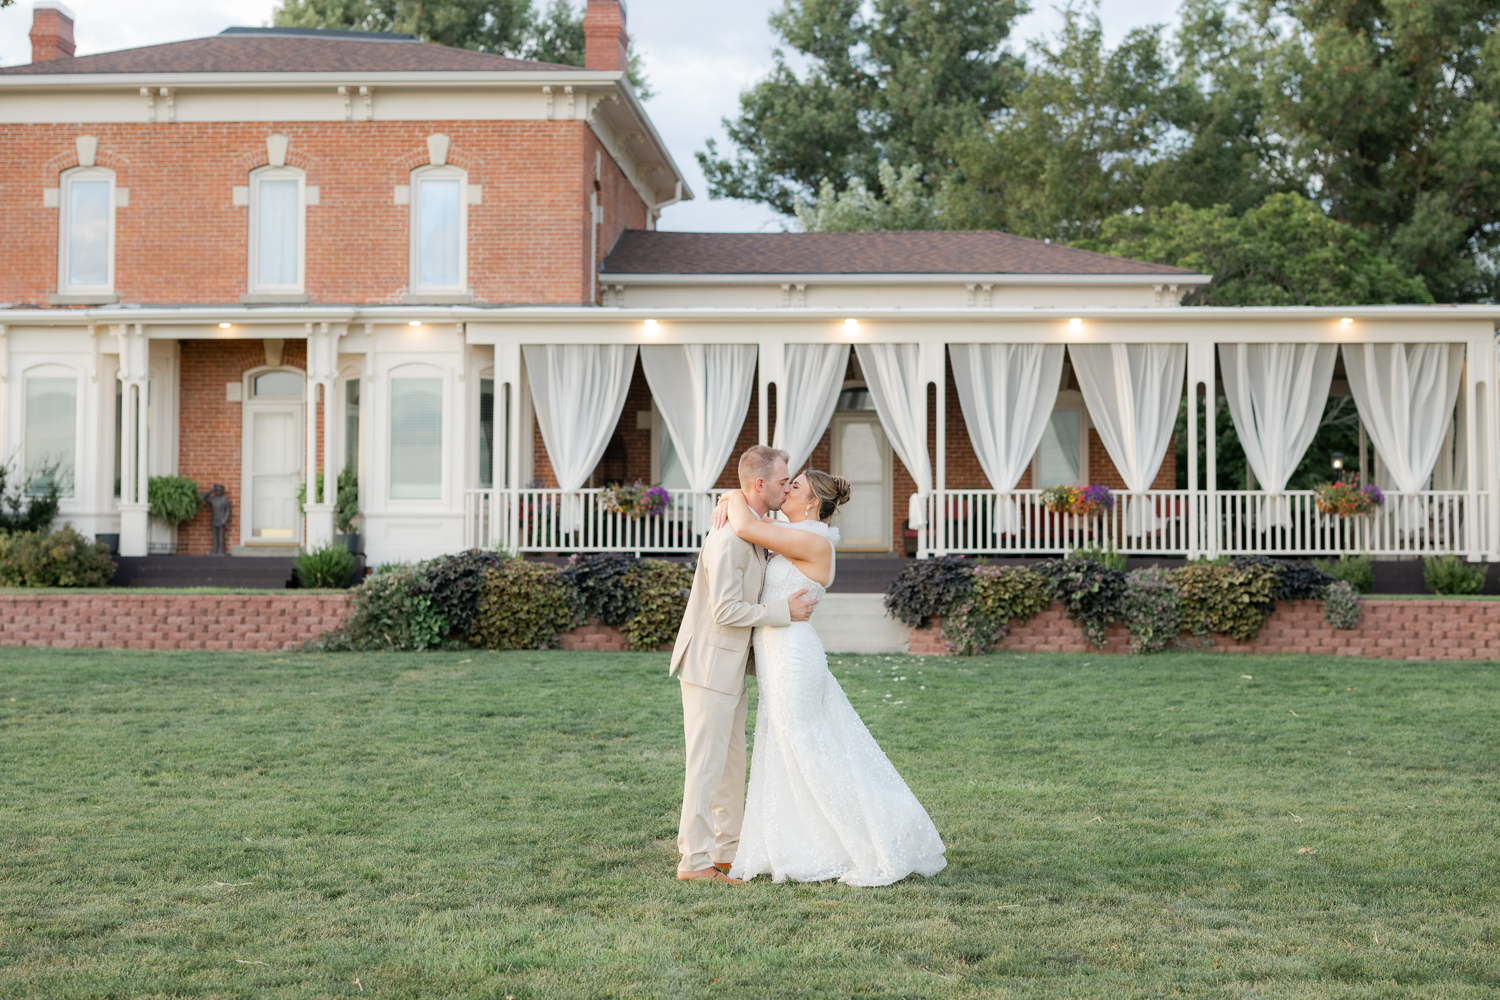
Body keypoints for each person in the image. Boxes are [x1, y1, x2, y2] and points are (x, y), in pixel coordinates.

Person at [716, 470, 948, 886]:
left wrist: (735, 491)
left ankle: (882, 834)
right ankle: (796, 845)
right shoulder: (793, 531)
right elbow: (752, 525)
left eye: (796, 486)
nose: (786, 490)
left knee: (807, 748)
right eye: (786, 483)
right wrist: (735, 503)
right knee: (783, 746)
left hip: (792, 654)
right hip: (776, 651)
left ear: (811, 502)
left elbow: (747, 523)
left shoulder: (813, 540)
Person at [668, 446, 818, 884]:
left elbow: (756, 519)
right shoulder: (731, 537)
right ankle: (692, 861)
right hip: (710, 665)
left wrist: (730, 499)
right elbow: (725, 612)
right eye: (782, 480)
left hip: (731, 668)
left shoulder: (747, 524)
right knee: (706, 765)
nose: (787, 487)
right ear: (759, 485)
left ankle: (726, 853)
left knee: (731, 765)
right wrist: (783, 613)